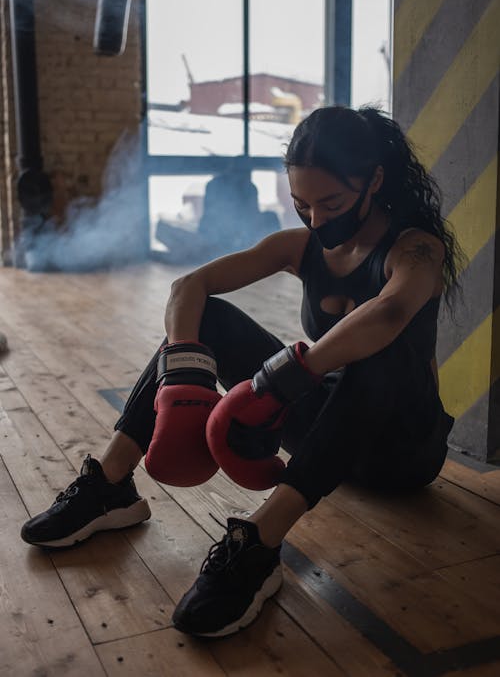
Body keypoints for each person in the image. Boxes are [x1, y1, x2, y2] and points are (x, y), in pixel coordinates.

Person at [21, 106, 462, 639]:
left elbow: (389, 314)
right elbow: (189, 287)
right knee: (202, 323)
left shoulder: (417, 249)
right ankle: (111, 485)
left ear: (374, 179)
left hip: (403, 452)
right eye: (302, 205)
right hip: (329, 437)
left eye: (332, 203)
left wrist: (282, 380)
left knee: (376, 351)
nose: (317, 220)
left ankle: (258, 543)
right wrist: (184, 371)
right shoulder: (300, 247)